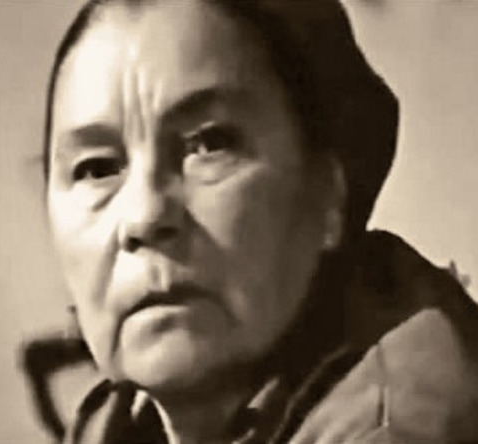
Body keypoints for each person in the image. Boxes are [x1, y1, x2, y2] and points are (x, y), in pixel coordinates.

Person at [39, 0, 478, 442]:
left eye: (210, 144)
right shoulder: (119, 423)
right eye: (96, 168)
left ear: (330, 192)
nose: (144, 217)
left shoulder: (402, 424)